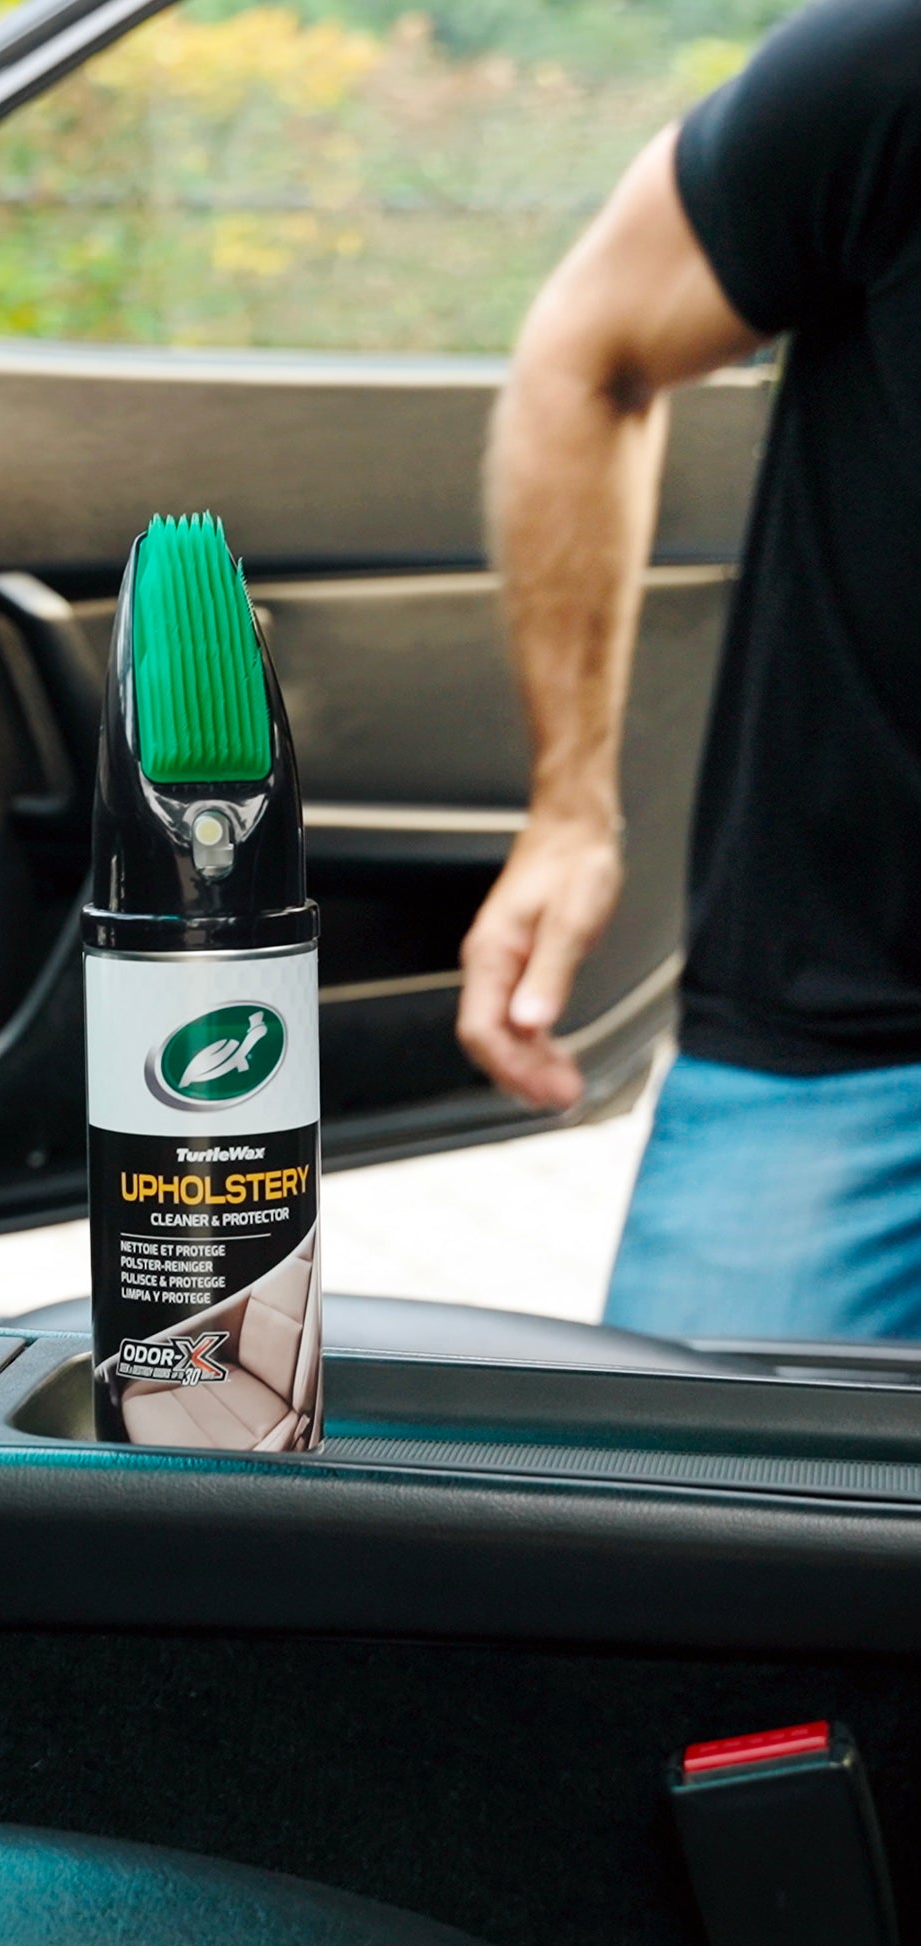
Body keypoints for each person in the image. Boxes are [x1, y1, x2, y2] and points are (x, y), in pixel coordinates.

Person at [456, 0, 921, 1340]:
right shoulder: (886, 70)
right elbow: (585, 351)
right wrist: (567, 807)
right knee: (687, 1524)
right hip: (847, 1032)